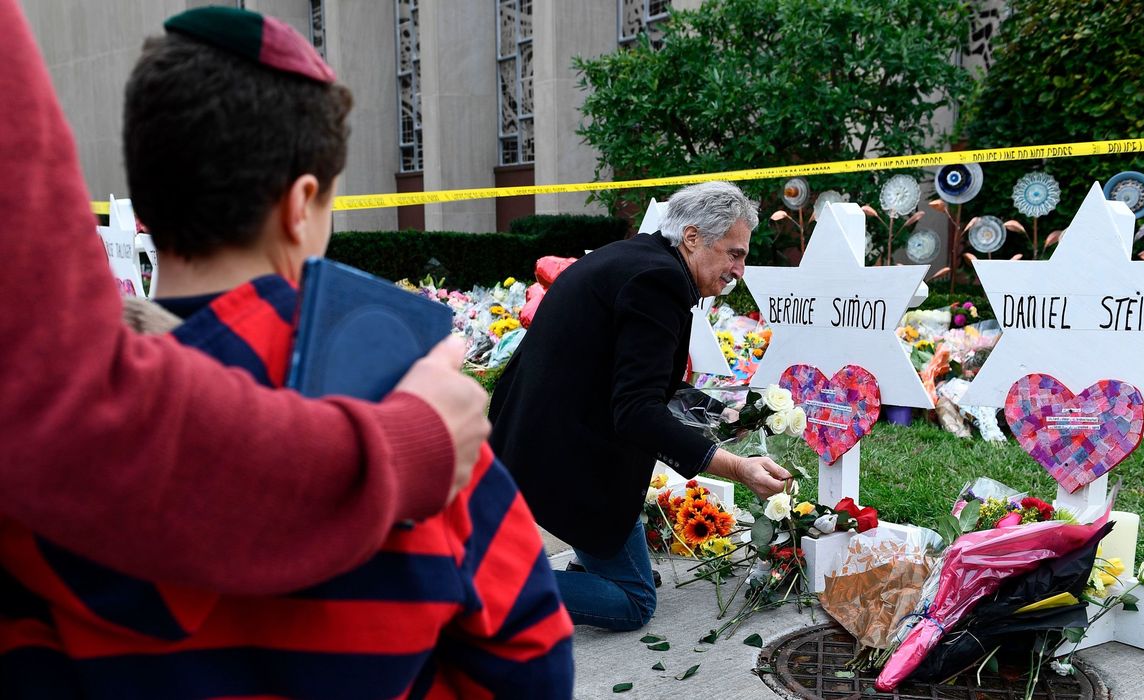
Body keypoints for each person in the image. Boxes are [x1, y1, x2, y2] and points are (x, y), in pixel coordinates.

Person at [0, 8, 573, 697]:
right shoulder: (421, 409)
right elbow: (530, 656)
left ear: (145, 204)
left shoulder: (32, 441)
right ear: (301, 205)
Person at [489, 181, 791, 631]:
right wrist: (736, 467)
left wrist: (721, 415)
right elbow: (635, 412)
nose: (739, 270)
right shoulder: (659, 282)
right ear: (692, 237)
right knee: (634, 601)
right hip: (568, 461)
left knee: (626, 570)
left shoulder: (638, 258)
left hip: (531, 436)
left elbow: (640, 379)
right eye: (734, 254)